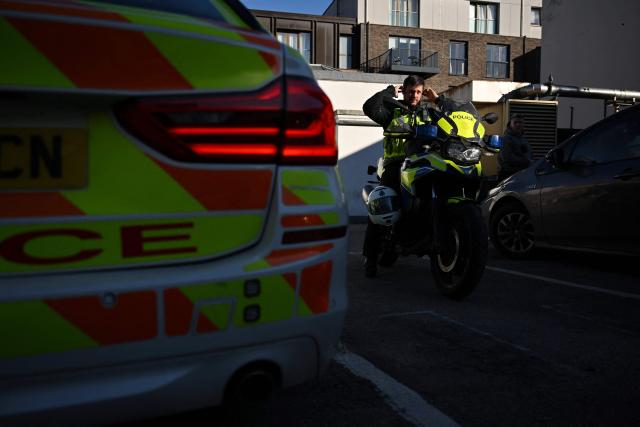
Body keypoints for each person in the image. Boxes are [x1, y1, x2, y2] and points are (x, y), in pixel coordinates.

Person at [361, 75, 438, 278]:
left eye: (418, 92)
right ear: (404, 90)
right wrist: (388, 92)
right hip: (396, 165)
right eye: (411, 91)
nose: (415, 95)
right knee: (382, 203)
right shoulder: (391, 111)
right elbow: (369, 107)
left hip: (422, 162)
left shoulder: (428, 112)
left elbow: (451, 123)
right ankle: (370, 257)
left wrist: (438, 101)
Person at [498, 114, 533, 180]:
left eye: (520, 122)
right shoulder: (506, 138)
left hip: (522, 174)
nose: (518, 125)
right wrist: (526, 161)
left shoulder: (523, 139)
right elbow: (507, 158)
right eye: (515, 122)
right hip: (509, 176)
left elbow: (529, 154)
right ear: (510, 124)